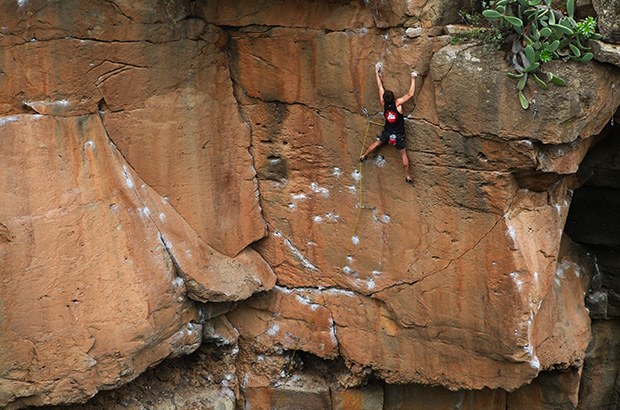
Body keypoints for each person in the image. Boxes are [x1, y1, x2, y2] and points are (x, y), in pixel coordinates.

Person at [360, 63, 417, 183]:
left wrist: (376, 72)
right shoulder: (398, 104)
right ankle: (407, 176)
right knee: (403, 155)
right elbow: (410, 94)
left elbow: (380, 88)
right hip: (399, 136)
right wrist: (413, 78)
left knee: (377, 143)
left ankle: (363, 155)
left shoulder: (384, 104)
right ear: (394, 97)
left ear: (385, 99)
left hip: (387, 132)